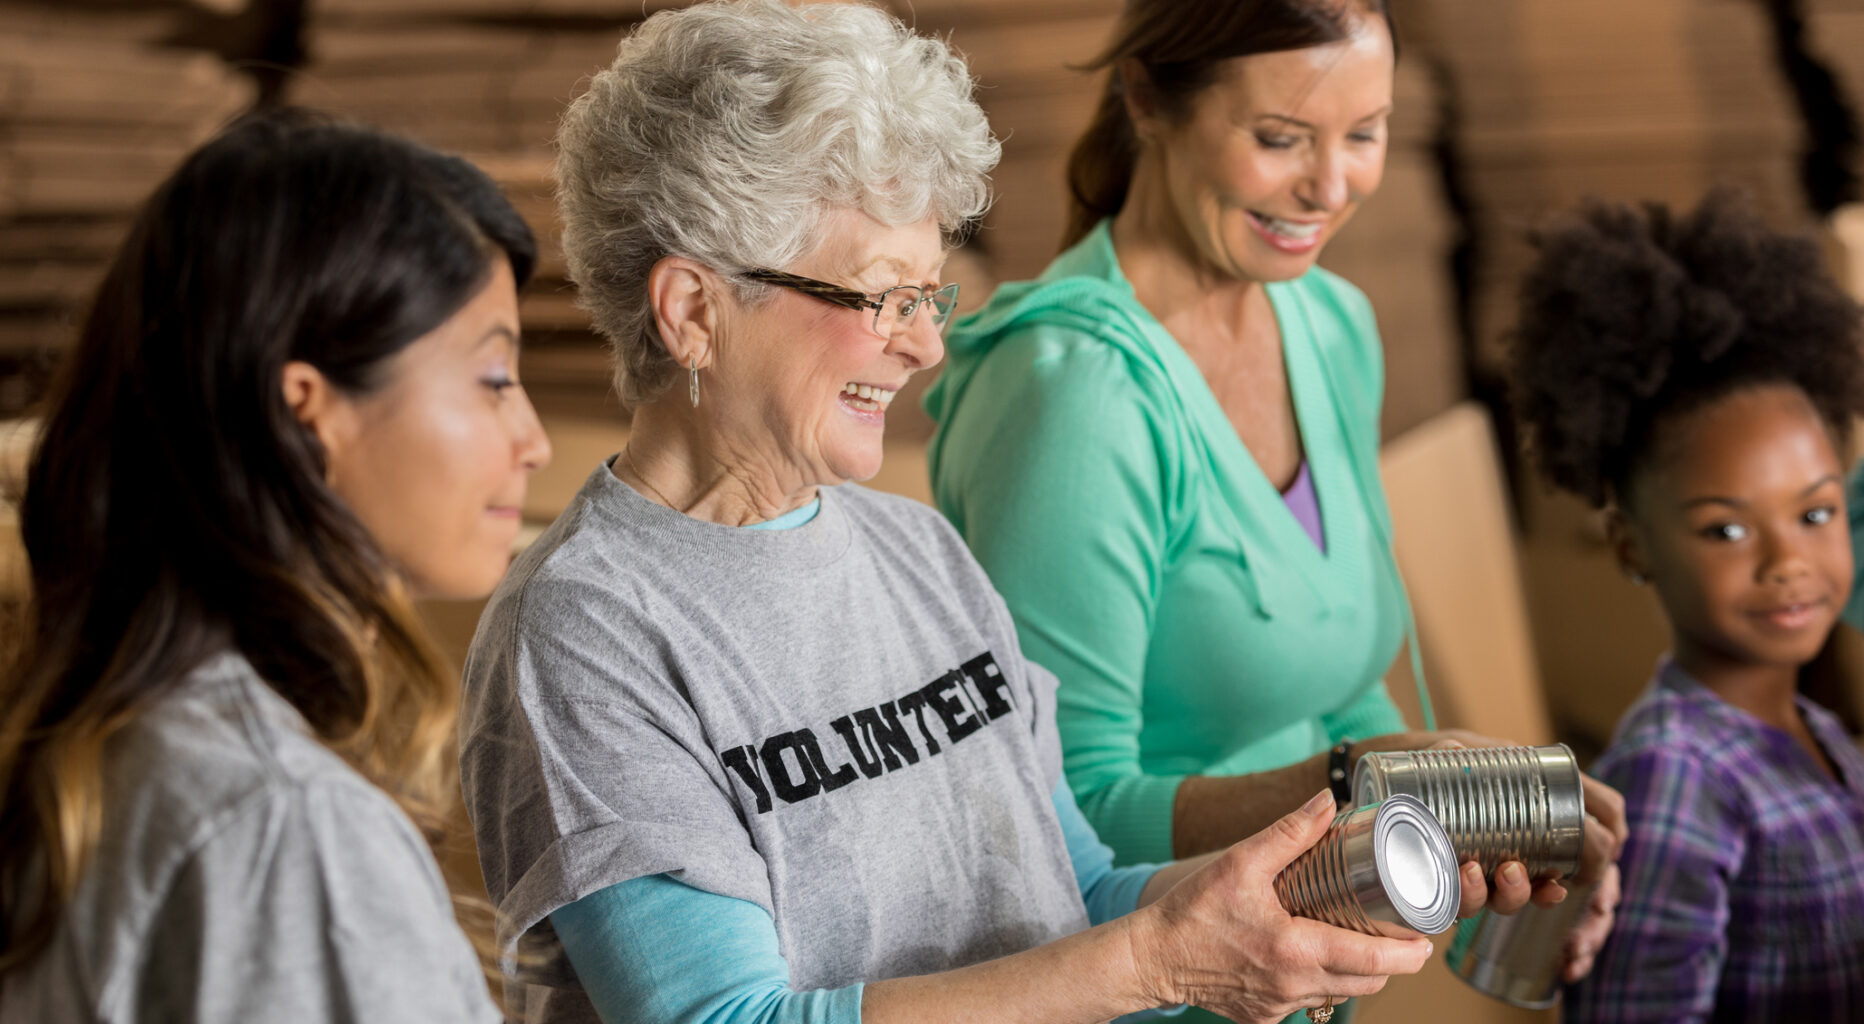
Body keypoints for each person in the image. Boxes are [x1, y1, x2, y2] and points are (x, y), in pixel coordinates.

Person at [457, 3, 1438, 1023]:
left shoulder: (915, 550)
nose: (925, 349)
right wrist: (1155, 963)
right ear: (694, 311)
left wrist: (1298, 900)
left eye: (930, 297)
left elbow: (1079, 894)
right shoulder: (589, 626)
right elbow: (724, 1017)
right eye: (883, 298)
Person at [922, 1, 1623, 1005]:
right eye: (1280, 137)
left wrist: (1464, 829)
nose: (1331, 186)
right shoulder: (1074, 394)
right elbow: (1055, 812)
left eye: (1365, 134)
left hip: (1296, 979)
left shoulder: (1330, 322)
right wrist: (1361, 780)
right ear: (1147, 101)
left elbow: (1342, 684)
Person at [0, 109, 553, 1023]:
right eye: (494, 378)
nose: (535, 441)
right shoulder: (283, 822)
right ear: (308, 409)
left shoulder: (116, 753)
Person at [1507, 191, 1864, 1022]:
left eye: (1814, 514)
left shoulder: (1818, 731)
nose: (1787, 563)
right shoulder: (1674, 778)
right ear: (1632, 546)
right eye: (1727, 529)